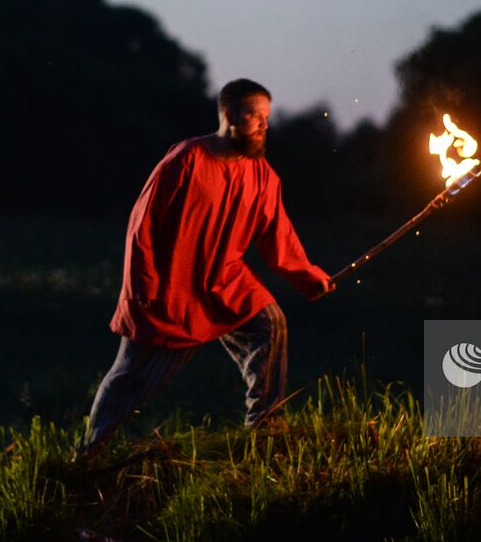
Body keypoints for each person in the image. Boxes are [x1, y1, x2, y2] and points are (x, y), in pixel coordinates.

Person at [78, 78, 334, 457]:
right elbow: (142, 224)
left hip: (225, 281)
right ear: (229, 115)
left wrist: (307, 275)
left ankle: (264, 429)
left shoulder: (262, 175)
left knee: (269, 323)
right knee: (131, 376)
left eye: (266, 117)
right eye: (254, 116)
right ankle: (88, 452)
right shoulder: (186, 159)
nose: (264, 125)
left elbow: (277, 234)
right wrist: (143, 286)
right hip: (170, 285)